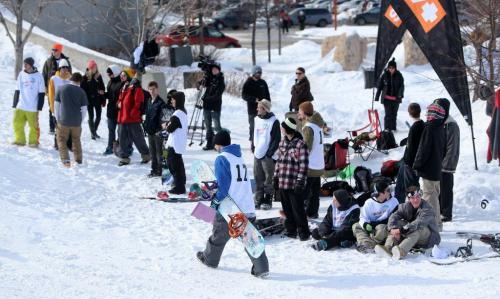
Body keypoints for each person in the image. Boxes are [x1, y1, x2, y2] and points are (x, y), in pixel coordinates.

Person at [197, 130, 269, 278]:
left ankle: (210, 259)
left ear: (218, 144)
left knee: (219, 234)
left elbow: (223, 186)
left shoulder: (222, 158)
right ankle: (262, 268)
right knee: (251, 239)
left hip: (231, 207)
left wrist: (216, 201)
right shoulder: (239, 158)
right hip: (247, 205)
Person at [375, 185, 441, 260]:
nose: (416, 200)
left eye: (418, 197)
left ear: (421, 196)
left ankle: (401, 250)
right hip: (412, 237)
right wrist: (392, 230)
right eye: (413, 198)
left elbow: (418, 223)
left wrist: (401, 230)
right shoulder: (405, 207)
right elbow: (393, 217)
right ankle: (388, 248)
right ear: (409, 199)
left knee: (417, 229)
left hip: (429, 238)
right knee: (397, 223)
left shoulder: (427, 209)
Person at [413, 99, 448, 231]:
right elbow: (444, 150)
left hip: (428, 169)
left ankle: (433, 226)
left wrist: (417, 165)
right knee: (434, 196)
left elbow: (423, 150)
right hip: (437, 168)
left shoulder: (430, 128)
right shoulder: (441, 127)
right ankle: (438, 224)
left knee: (429, 198)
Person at [273, 118, 310, 241]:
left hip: (294, 183)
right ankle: (291, 230)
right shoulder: (282, 143)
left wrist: (300, 182)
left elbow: (304, 165)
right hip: (283, 181)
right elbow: (278, 161)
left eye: (283, 127)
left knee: (298, 209)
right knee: (287, 209)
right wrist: (276, 177)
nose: (282, 129)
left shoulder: (301, 144)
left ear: (288, 129)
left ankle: (304, 232)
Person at [353, 181, 399, 254]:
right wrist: (365, 224)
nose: (390, 192)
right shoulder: (369, 203)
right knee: (356, 226)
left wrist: (377, 225)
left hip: (384, 226)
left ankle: (381, 246)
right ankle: (367, 245)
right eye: (387, 190)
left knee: (382, 228)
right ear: (380, 193)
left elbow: (395, 217)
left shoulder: (393, 201)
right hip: (371, 227)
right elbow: (363, 217)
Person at [298, 101, 326, 219]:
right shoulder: (318, 126)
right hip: (318, 164)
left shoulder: (309, 127)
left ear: (304, 112)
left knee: (303, 192)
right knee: (314, 192)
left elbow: (307, 147)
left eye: (300, 111)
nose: (298, 113)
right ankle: (312, 212)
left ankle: (300, 213)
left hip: (310, 165)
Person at [54, 72, 88, 167]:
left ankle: (65, 160)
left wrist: (57, 118)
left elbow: (56, 105)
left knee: (61, 139)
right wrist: (80, 121)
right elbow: (84, 110)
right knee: (76, 140)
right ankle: (78, 160)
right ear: (79, 81)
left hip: (63, 120)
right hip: (76, 122)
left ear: (71, 79)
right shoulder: (82, 92)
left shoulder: (61, 88)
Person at [116, 76, 150, 166]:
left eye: (124, 75)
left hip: (132, 119)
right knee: (122, 138)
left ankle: (146, 155)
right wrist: (118, 104)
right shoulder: (124, 87)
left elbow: (138, 102)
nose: (122, 77)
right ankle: (124, 158)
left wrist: (133, 114)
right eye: (121, 76)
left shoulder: (135, 86)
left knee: (138, 138)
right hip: (122, 118)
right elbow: (120, 100)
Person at [253, 99, 280, 210]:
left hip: (268, 154)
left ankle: (268, 199)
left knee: (268, 178)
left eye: (259, 107)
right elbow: (254, 133)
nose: (257, 109)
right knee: (258, 177)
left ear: (265, 109)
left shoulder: (274, 121)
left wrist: (269, 153)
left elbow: (276, 139)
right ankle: (258, 198)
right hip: (257, 152)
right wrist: (253, 147)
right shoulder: (256, 119)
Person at [12, 57, 45, 147]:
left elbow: (42, 92)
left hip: (32, 107)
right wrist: (15, 103)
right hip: (21, 105)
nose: (24, 66)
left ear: (31, 65)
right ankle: (20, 140)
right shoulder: (21, 74)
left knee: (33, 127)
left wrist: (39, 107)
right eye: (24, 64)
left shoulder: (38, 76)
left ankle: (33, 142)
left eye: (26, 64)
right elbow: (17, 89)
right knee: (16, 122)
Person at [394, 103, 425, 202]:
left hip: (411, 163)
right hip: (409, 161)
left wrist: (408, 163)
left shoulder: (415, 127)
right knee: (400, 185)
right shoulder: (422, 125)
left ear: (409, 113)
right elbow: (416, 141)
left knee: (411, 188)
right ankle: (399, 207)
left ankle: (414, 210)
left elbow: (412, 147)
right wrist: (407, 140)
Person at [42, 43, 72, 134]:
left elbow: (70, 74)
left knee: (62, 108)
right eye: (52, 50)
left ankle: (61, 126)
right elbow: (44, 74)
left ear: (59, 51)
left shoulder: (66, 61)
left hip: (63, 89)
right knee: (51, 107)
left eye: (55, 50)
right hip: (52, 88)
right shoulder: (48, 61)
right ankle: (52, 127)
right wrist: (45, 87)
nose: (53, 52)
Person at [440, 99, 460, 223]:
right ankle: (440, 210)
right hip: (439, 162)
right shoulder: (442, 122)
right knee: (440, 188)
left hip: (447, 164)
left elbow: (453, 147)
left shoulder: (451, 125)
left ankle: (446, 213)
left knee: (446, 188)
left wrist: (447, 165)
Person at [163, 91, 187, 194]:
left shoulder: (177, 114)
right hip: (178, 143)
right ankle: (181, 183)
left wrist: (166, 126)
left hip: (174, 144)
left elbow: (170, 129)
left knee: (174, 165)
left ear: (178, 100)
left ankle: (179, 187)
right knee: (178, 164)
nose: (172, 101)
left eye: (173, 99)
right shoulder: (183, 112)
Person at [142, 81, 168, 177]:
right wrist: (145, 125)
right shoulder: (149, 101)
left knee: (159, 153)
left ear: (157, 90)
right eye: (150, 89)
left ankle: (159, 170)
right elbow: (147, 115)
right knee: (152, 152)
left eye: (154, 89)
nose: (152, 91)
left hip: (157, 132)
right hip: (150, 131)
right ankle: (153, 169)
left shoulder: (161, 103)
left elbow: (163, 119)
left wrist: (160, 130)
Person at [242, 65, 271, 144]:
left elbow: (267, 95)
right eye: (258, 72)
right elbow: (244, 96)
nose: (259, 74)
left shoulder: (263, 82)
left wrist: (268, 104)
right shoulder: (248, 83)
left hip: (263, 109)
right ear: (254, 73)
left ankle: (261, 141)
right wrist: (254, 99)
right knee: (253, 126)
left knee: (262, 126)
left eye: (260, 73)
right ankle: (253, 142)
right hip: (252, 109)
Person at [48, 59, 72, 150]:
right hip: (57, 107)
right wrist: (53, 108)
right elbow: (51, 95)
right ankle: (57, 144)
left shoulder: (71, 79)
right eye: (63, 67)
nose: (65, 69)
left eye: (66, 67)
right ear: (59, 68)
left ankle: (69, 144)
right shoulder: (54, 79)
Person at [375, 58, 404, 131]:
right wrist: (377, 97)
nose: (391, 69)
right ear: (388, 68)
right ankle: (387, 129)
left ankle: (393, 129)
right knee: (388, 114)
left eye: (392, 68)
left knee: (394, 114)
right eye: (389, 68)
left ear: (395, 68)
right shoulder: (384, 75)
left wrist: (400, 94)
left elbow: (402, 86)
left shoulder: (399, 75)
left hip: (396, 99)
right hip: (386, 99)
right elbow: (380, 86)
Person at [202, 64, 225, 150]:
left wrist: (207, 98)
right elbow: (203, 83)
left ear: (219, 70)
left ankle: (220, 143)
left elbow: (217, 95)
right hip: (206, 106)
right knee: (208, 125)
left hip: (215, 106)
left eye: (216, 69)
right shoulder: (209, 79)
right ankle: (209, 142)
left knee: (217, 126)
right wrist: (199, 83)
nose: (214, 71)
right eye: (213, 69)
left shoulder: (221, 81)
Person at [81, 60, 105, 140]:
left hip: (98, 100)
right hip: (89, 100)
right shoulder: (85, 77)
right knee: (91, 117)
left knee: (98, 117)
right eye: (93, 67)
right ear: (90, 68)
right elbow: (83, 90)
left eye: (95, 67)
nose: (95, 68)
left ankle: (94, 131)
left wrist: (102, 94)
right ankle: (93, 133)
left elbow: (102, 87)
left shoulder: (99, 76)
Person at [103, 65, 124, 155]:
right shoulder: (110, 82)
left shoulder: (122, 83)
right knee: (111, 130)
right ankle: (110, 147)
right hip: (111, 111)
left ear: (115, 73)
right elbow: (110, 95)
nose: (109, 76)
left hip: (119, 112)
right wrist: (103, 94)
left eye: (110, 74)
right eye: (108, 75)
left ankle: (122, 147)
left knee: (120, 132)